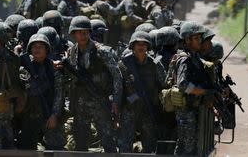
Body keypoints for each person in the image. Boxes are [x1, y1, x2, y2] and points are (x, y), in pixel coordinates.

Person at [63, 16, 122, 152]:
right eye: (79, 32)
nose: (83, 35)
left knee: (108, 143)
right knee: (80, 143)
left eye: (86, 32)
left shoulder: (102, 51)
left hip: (100, 102)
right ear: (73, 34)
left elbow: (117, 75)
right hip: (80, 104)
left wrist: (116, 101)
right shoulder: (71, 52)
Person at [118, 31, 166, 153]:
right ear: (132, 46)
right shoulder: (124, 63)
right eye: (138, 44)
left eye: (144, 44)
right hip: (129, 108)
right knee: (125, 143)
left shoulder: (154, 63)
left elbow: (164, 83)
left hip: (148, 108)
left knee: (149, 144)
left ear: (148, 47)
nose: (140, 47)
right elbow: (117, 86)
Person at [172, 21, 215, 155]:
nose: (199, 41)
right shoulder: (185, 59)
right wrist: (201, 91)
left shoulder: (195, 58)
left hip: (193, 109)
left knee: (189, 147)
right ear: (187, 40)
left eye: (200, 38)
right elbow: (182, 84)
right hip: (186, 112)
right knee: (187, 149)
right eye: (196, 38)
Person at [18, 34, 66, 150]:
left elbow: (59, 95)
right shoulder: (23, 66)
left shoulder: (54, 70)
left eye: (40, 47)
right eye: (34, 47)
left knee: (56, 147)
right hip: (29, 116)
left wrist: (54, 115)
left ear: (46, 50)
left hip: (49, 116)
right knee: (26, 148)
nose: (37, 49)